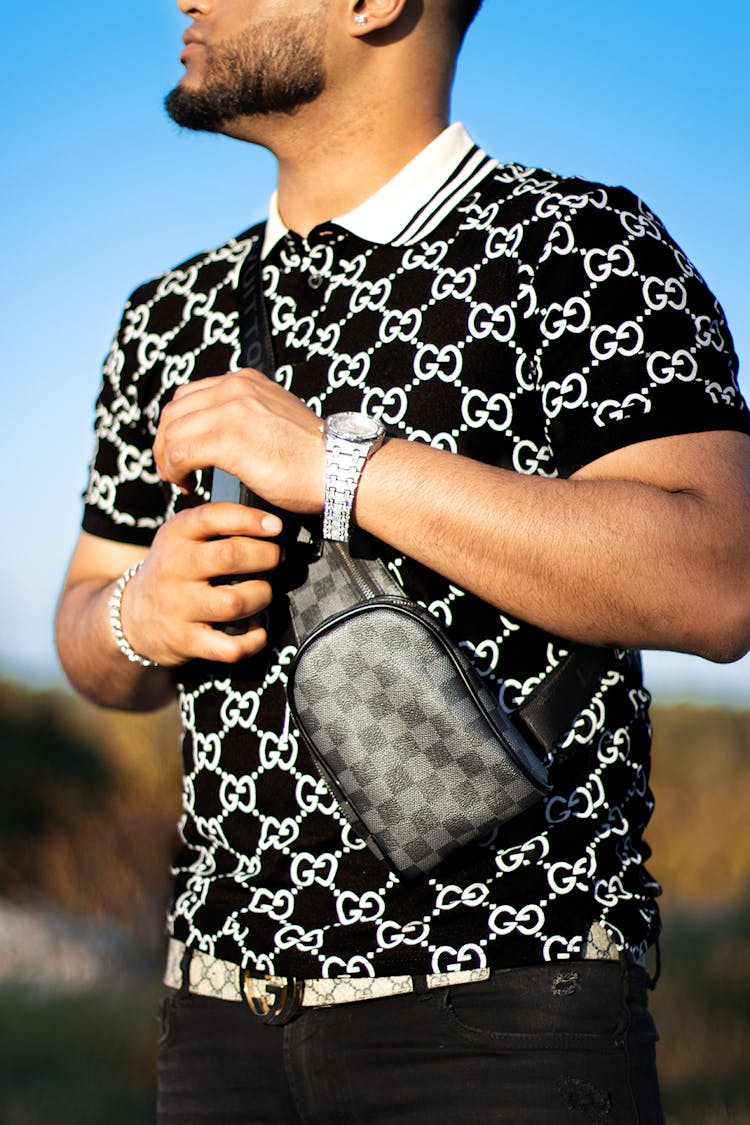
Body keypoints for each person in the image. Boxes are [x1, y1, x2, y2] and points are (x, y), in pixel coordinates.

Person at [56, 1, 750, 1121]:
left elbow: (720, 578)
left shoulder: (578, 247)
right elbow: (88, 633)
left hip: (508, 1011)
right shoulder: (165, 318)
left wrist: (332, 464)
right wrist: (140, 613)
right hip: (214, 1018)